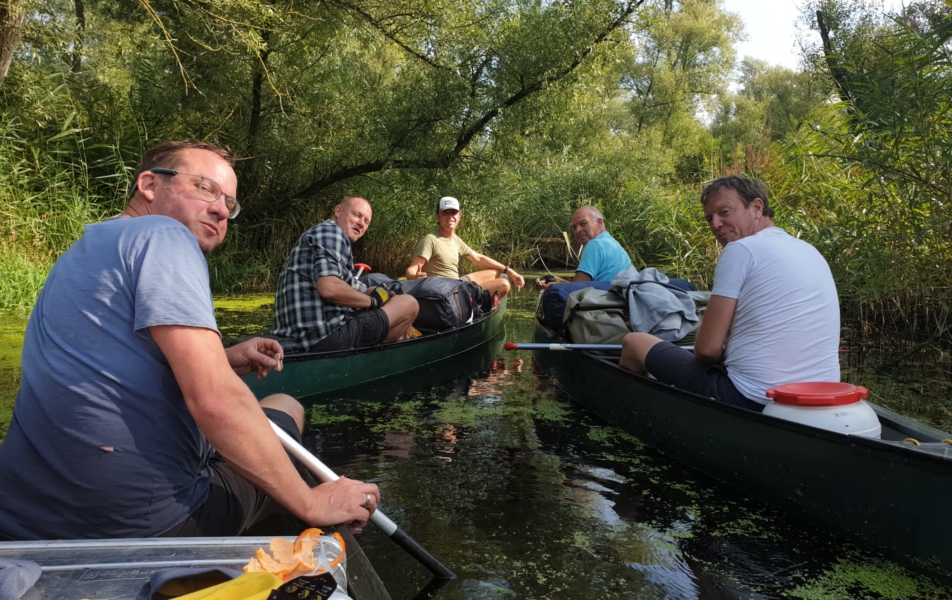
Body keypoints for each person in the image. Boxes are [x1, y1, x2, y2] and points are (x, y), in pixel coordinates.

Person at [0, 141, 380, 541]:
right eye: (205, 188)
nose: (220, 209)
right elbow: (214, 400)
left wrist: (225, 357)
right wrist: (310, 501)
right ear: (148, 184)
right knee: (285, 405)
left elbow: (114, 362)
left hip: (25, 512)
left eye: (230, 203)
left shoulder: (82, 250)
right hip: (136, 522)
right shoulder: (165, 236)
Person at [618, 175, 840, 411]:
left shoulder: (740, 249)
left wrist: (721, 352)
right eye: (709, 218)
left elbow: (706, 350)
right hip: (824, 395)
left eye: (724, 212)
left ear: (756, 207)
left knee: (634, 342)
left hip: (750, 397)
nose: (715, 224)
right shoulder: (809, 250)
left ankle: (639, 413)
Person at [272, 196, 419, 353]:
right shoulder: (333, 233)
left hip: (298, 336)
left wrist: (377, 292)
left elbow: (353, 287)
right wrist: (373, 301)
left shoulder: (321, 234)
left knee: (389, 302)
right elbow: (329, 288)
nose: (361, 223)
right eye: (356, 215)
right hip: (323, 338)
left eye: (366, 221)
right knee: (410, 304)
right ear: (338, 211)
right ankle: (378, 354)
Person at [405, 196, 525, 298]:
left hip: (457, 283)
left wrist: (510, 271)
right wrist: (414, 276)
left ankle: (476, 303)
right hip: (446, 291)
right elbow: (412, 269)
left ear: (459, 216)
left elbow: (478, 258)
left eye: (453, 212)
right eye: (445, 213)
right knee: (504, 284)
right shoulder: (430, 239)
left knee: (497, 273)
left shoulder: (455, 239)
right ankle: (473, 309)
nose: (450, 216)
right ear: (437, 216)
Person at [534, 206, 632, 289]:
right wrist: (558, 281)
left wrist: (554, 286)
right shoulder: (614, 245)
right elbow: (582, 287)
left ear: (600, 222)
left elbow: (576, 290)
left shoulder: (595, 245)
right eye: (574, 227)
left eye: (583, 224)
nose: (578, 230)